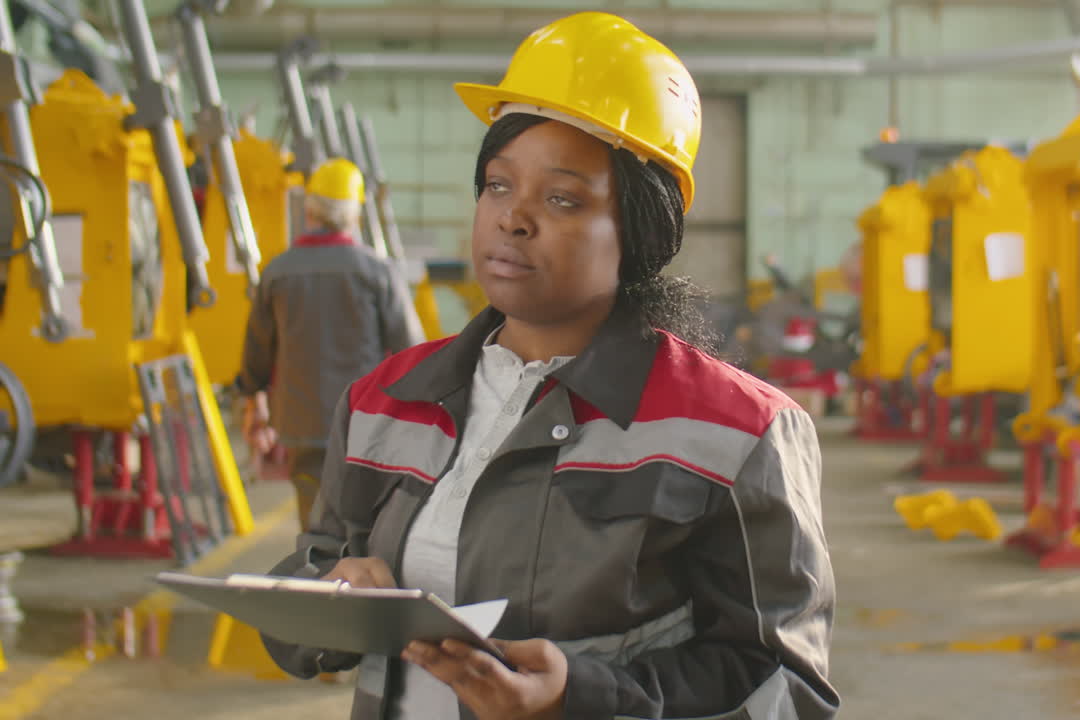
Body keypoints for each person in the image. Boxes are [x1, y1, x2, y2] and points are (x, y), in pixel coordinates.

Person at [261, 11, 838, 719]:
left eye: (562, 198)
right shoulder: (387, 400)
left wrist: (581, 698)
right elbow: (309, 573)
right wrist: (331, 595)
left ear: (641, 233)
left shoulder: (737, 433)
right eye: (498, 185)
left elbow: (786, 690)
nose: (513, 218)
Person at [235, 157, 424, 531]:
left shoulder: (277, 272)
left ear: (309, 211)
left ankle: (317, 580)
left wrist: (252, 397)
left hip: (300, 422)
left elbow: (257, 350)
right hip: (365, 421)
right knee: (364, 519)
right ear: (354, 215)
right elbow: (412, 352)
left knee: (314, 519)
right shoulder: (377, 272)